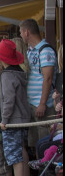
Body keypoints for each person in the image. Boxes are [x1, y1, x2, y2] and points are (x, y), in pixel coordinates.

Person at [0, 39, 32, 176]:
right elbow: (4, 101)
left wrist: (4, 119)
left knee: (13, 154)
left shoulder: (6, 76)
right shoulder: (18, 73)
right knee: (17, 152)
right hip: (20, 117)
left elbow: (8, 100)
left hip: (12, 120)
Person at [19, 19, 57, 157]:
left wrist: (42, 103)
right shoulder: (30, 51)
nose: (21, 35)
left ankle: (47, 169)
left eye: (21, 32)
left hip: (42, 105)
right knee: (34, 143)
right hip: (31, 104)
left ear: (27, 32)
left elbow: (47, 78)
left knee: (44, 142)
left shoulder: (45, 50)